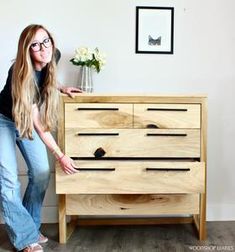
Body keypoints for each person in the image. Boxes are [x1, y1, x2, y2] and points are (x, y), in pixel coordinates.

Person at [0, 24, 81, 252]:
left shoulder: (51, 54)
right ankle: (25, 239)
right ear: (27, 50)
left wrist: (62, 87)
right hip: (4, 121)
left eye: (45, 41)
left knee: (42, 172)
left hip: (23, 120)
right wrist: (61, 155)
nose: (43, 48)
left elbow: (46, 73)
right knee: (8, 182)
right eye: (35, 45)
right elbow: (38, 124)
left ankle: (31, 228)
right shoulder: (20, 74)